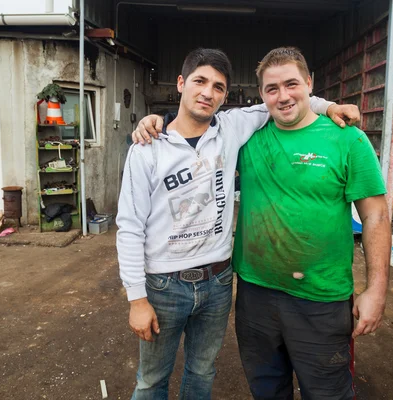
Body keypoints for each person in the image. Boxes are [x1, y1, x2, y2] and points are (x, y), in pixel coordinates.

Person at [119, 47, 359, 399]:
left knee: (202, 371)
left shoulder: (231, 128)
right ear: (181, 83)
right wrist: (137, 299)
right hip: (164, 285)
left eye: (218, 87)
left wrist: (330, 107)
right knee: (152, 379)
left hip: (217, 282)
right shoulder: (147, 148)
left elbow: (286, 99)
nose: (207, 93)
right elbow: (129, 226)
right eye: (200, 81)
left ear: (225, 96)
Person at [232, 47, 390, 399]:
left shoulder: (348, 139)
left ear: (309, 84)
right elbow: (197, 128)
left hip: (321, 299)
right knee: (267, 390)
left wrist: (376, 290)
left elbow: (375, 215)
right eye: (272, 89)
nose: (283, 96)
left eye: (292, 84)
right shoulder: (247, 138)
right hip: (255, 295)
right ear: (262, 95)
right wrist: (156, 123)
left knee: (327, 392)